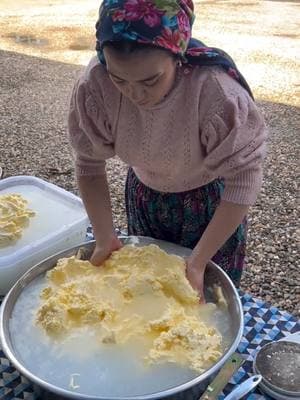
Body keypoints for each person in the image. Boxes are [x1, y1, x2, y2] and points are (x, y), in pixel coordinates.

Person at [68, 0, 267, 300]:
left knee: (203, 298)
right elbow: (89, 165)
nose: (135, 94)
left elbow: (243, 180)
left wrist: (199, 261)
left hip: (209, 205)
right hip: (144, 196)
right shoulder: (95, 85)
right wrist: (104, 236)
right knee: (148, 293)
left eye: (151, 80)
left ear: (178, 55)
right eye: (119, 78)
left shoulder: (216, 93)